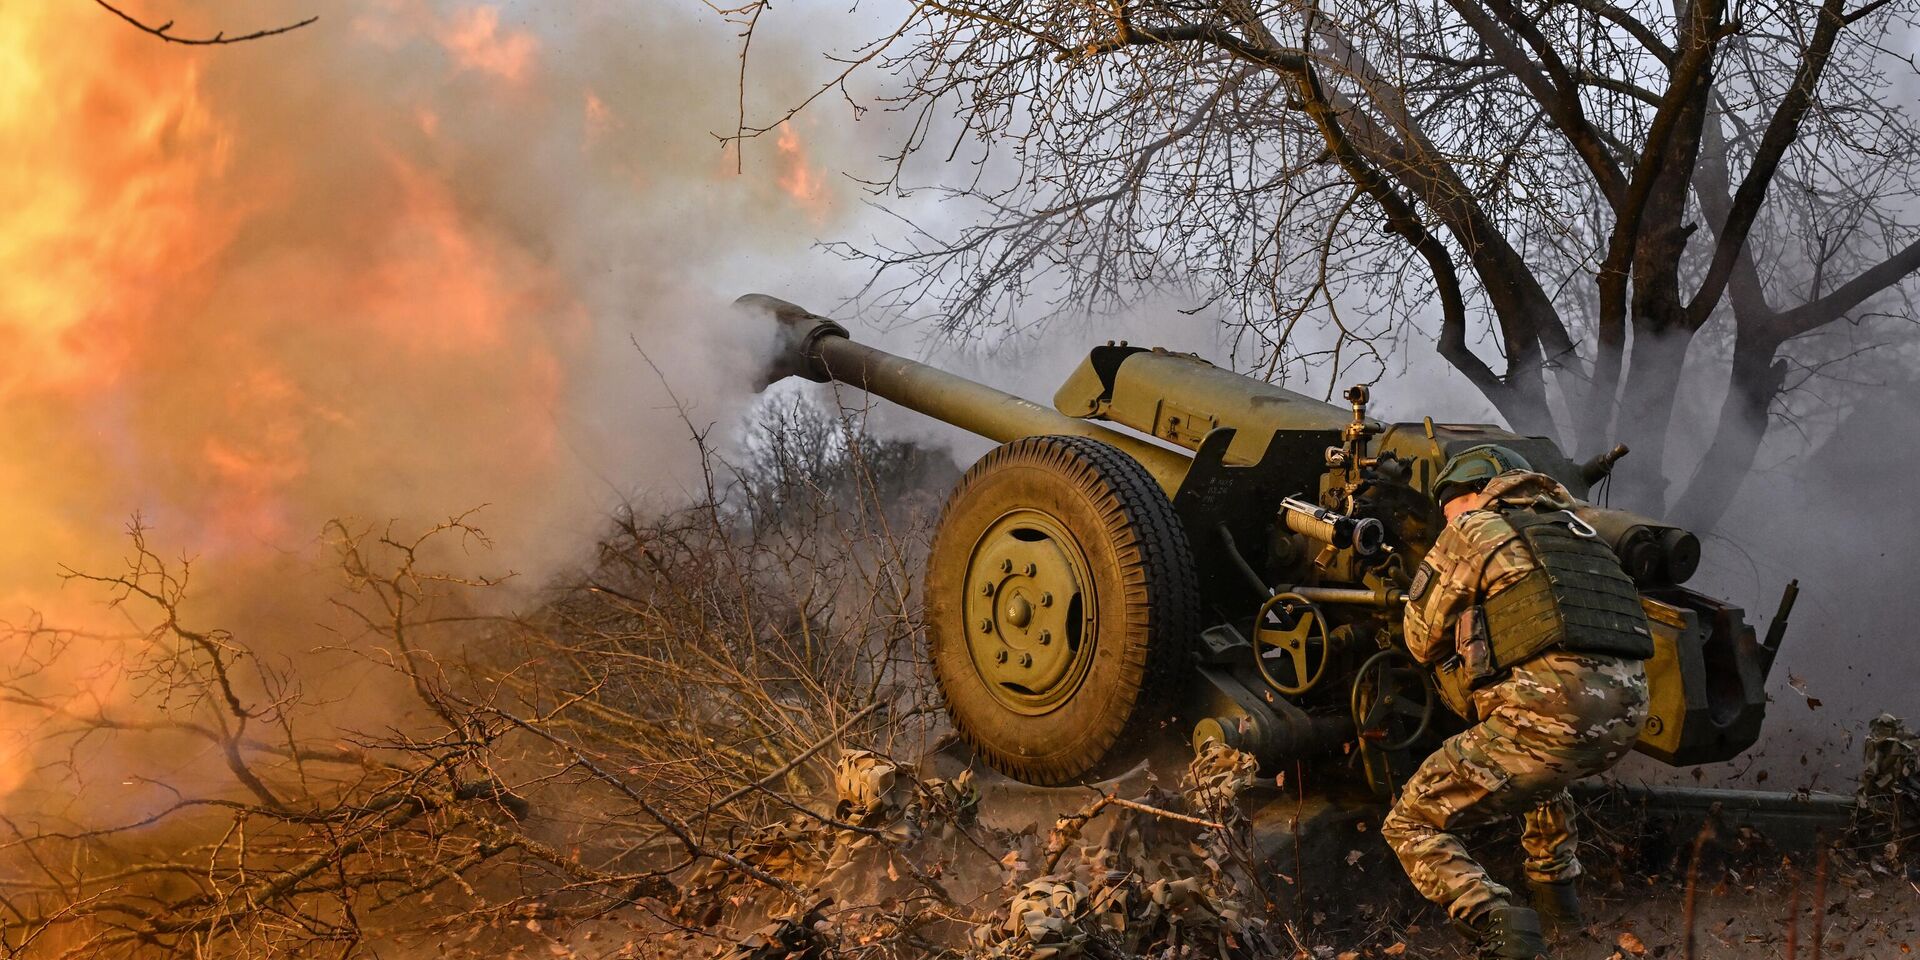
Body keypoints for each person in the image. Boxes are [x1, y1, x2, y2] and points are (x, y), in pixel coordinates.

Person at [1380, 445, 1655, 960]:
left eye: (1449, 508)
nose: (1447, 521)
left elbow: (1420, 640)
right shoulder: (1577, 532)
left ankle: (1500, 925)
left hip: (1549, 718)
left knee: (1410, 822)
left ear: (1476, 490)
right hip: (1623, 719)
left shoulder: (1476, 528)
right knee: (1542, 782)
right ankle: (1563, 923)